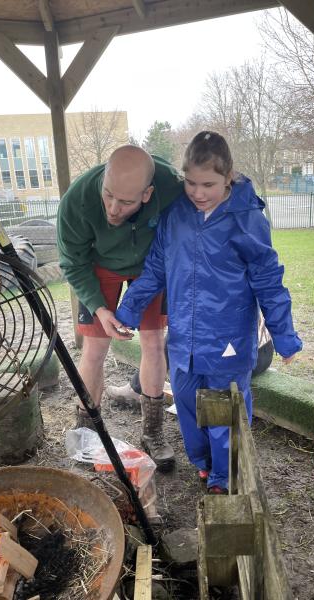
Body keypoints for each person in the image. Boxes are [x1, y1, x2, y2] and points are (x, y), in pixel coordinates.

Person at [115, 131, 302, 493]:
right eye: (191, 183)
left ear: (228, 177)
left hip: (227, 337)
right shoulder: (176, 215)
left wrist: (285, 336)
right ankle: (203, 461)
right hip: (184, 337)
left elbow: (268, 280)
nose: (198, 193)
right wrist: (128, 311)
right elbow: (155, 268)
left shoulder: (246, 219)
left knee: (224, 407)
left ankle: (225, 475)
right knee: (186, 400)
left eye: (208, 185)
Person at [57, 145, 183, 471]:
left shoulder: (171, 185)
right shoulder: (77, 200)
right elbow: (73, 263)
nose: (113, 209)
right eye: (108, 195)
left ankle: (153, 431)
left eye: (125, 202)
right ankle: (86, 433)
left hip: (151, 267)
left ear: (147, 194)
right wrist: (99, 309)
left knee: (153, 343)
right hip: (99, 265)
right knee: (94, 349)